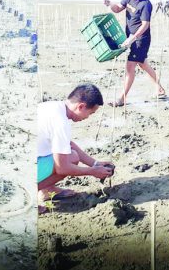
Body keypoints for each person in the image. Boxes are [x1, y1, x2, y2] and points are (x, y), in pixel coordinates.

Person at [36, 84, 115, 212]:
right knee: (71, 159)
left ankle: (47, 190)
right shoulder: (61, 122)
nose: (88, 117)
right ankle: (28, 196)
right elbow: (63, 168)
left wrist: (94, 163)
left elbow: (67, 143)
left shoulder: (54, 106)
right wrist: (92, 172)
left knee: (68, 154)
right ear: (81, 106)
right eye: (90, 113)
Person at [104, 0, 166, 106]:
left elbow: (145, 25)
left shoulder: (145, 4)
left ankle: (121, 99)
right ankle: (160, 89)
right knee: (143, 64)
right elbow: (117, 9)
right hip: (130, 38)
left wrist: (133, 38)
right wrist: (110, 4)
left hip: (140, 40)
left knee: (130, 66)